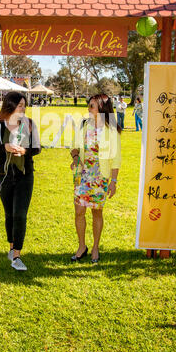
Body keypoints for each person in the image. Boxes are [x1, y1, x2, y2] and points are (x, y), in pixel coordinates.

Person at [0, 92, 41, 271]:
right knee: (9, 214)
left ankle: (17, 255)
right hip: (4, 176)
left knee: (20, 215)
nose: (23, 109)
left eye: (24, 105)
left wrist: (25, 152)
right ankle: (11, 247)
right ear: (10, 106)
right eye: (20, 106)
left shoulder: (30, 123)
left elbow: (36, 148)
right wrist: (5, 147)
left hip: (25, 175)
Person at [70, 94, 121, 264]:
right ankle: (81, 246)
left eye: (91, 106)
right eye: (88, 105)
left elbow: (116, 158)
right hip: (82, 176)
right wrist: (76, 157)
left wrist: (113, 182)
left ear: (101, 107)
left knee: (96, 212)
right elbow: (74, 147)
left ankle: (95, 247)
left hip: (100, 177)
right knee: (79, 211)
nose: (88, 109)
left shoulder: (111, 130)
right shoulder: (84, 125)